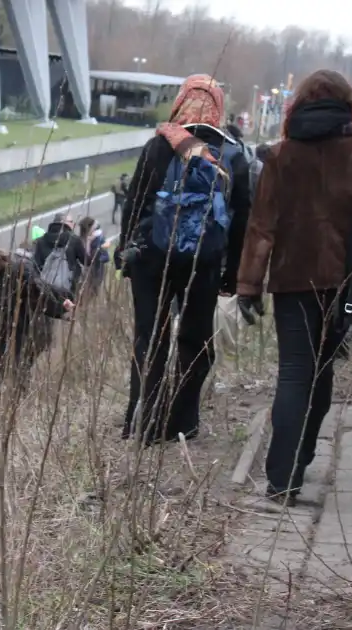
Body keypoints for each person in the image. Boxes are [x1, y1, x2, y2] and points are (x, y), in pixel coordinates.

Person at [237, 70, 352, 504]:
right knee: (322, 370)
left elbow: (261, 227)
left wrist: (248, 286)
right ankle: (304, 454)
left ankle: (283, 477)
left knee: (295, 371)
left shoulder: (280, 156)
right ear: (347, 106)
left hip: (291, 278)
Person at [118, 74, 252, 445]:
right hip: (204, 263)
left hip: (151, 258)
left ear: (180, 102)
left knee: (150, 338)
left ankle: (140, 420)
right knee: (195, 339)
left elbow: (134, 202)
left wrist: (125, 253)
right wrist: (233, 272)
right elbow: (242, 219)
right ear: (218, 107)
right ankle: (183, 422)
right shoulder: (232, 154)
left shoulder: (158, 146)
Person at [0, 237, 73, 411]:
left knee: (17, 371)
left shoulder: (18, 271)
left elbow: (40, 293)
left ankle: (20, 409)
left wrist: (61, 304)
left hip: (16, 333)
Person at [33, 212, 88, 294]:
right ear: (63, 222)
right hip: (70, 287)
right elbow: (86, 261)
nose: (73, 224)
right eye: (71, 221)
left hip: (46, 288)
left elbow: (36, 266)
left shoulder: (40, 241)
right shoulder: (74, 239)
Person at [79, 216, 109, 295]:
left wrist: (99, 249)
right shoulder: (81, 240)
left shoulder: (98, 238)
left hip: (96, 269)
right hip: (86, 272)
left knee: (95, 290)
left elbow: (105, 257)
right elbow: (84, 255)